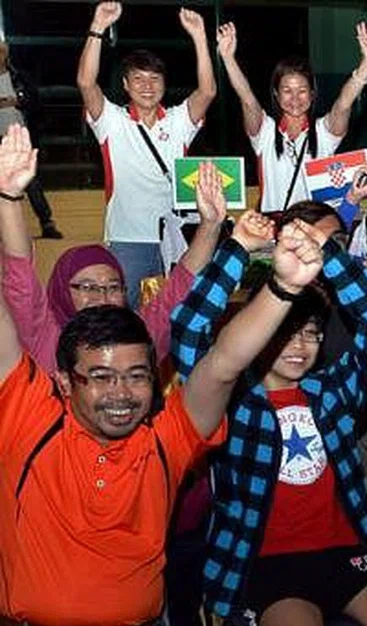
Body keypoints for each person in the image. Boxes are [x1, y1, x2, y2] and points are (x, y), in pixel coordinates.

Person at [0, 195, 329, 626]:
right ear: (63, 382)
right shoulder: (29, 419)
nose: (121, 393)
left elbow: (224, 364)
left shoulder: (163, 441)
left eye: (137, 376)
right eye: (100, 376)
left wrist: (282, 289)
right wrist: (6, 197)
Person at [171, 206, 367, 626]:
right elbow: (188, 329)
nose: (300, 346)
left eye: (311, 332)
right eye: (284, 333)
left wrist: (326, 253)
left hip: (346, 552)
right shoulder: (233, 400)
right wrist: (236, 249)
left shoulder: (332, 391)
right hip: (266, 562)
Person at [0, 126, 225, 375]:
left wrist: (211, 225)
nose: (102, 297)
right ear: (62, 291)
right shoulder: (47, 341)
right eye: (87, 287)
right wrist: (9, 198)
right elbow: (20, 281)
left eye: (113, 287)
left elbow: (182, 287)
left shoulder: (141, 334)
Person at [77, 2, 217, 308]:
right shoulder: (112, 121)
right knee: (123, 316)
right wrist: (98, 26)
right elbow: (86, 82)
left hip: (177, 238)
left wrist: (199, 37)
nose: (147, 86)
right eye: (138, 79)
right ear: (125, 85)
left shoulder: (179, 121)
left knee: (178, 314)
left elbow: (207, 92)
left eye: (154, 79)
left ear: (165, 85)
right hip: (127, 240)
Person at [216, 21, 367, 213]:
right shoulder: (265, 132)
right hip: (275, 230)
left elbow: (343, 104)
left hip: (315, 229)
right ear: (276, 93)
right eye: (287, 91)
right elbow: (247, 99)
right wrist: (228, 58)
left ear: (312, 93)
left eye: (302, 91)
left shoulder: (324, 132)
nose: (295, 99)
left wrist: (366, 64)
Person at [0, 41, 61, 239]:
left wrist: (20, 101)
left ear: (6, 55)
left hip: (20, 140)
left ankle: (47, 223)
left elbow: (35, 103)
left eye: (1, 52)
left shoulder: (19, 77)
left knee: (32, 183)